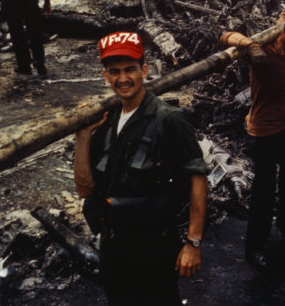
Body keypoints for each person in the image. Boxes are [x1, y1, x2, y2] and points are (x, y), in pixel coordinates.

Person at [74, 31, 208, 305]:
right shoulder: (106, 123)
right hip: (113, 244)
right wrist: (83, 137)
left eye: (130, 69)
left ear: (144, 70)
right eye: (114, 71)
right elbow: (85, 189)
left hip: (155, 246)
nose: (123, 78)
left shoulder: (170, 119)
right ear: (105, 77)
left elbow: (197, 178)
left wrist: (193, 243)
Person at [219, 5, 285, 270]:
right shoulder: (263, 49)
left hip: (284, 125)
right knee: (263, 194)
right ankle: (254, 249)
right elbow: (225, 36)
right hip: (263, 131)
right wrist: (249, 44)